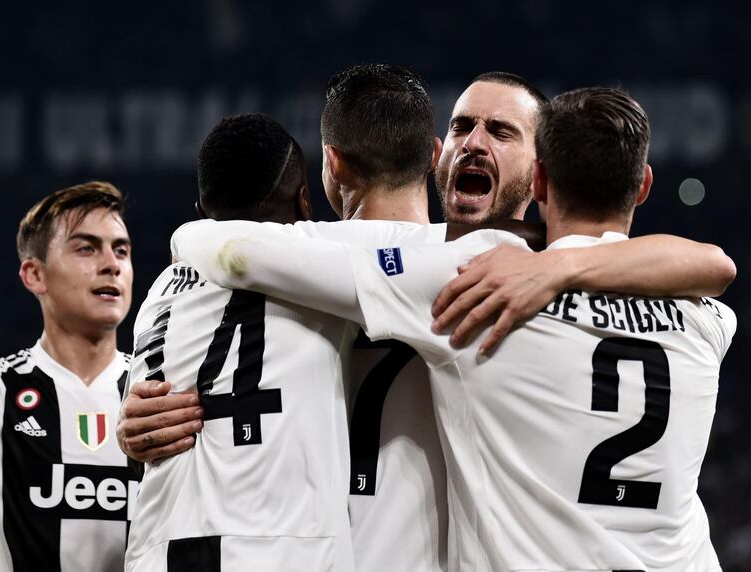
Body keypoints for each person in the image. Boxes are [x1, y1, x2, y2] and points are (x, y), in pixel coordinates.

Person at [121, 69, 735, 571]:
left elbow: (241, 253)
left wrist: (554, 270)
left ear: (539, 173)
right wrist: (144, 413)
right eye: (463, 125)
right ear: (436, 155)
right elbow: (712, 269)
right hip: (334, 549)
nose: (476, 142)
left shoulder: (464, 273)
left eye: (502, 131)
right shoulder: (358, 263)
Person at [0, 181, 138, 571]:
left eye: (120, 249)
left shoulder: (161, 391)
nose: (112, 263)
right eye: (86, 248)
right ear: (35, 275)